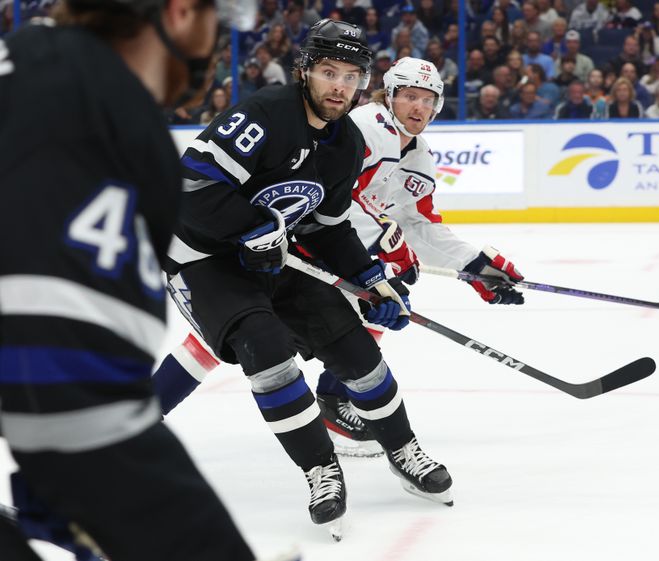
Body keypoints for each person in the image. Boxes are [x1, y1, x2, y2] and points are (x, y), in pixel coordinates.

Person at [0, 1, 293, 561]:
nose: (217, 45)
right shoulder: (102, 112)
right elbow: (74, 401)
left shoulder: (34, 63)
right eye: (220, 22)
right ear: (182, 11)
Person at [155, 20, 454, 538]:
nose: (339, 86)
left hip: (278, 255)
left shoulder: (346, 143)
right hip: (203, 257)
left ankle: (401, 447)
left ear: (363, 83)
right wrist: (252, 230)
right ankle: (321, 468)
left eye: (351, 76)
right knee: (265, 346)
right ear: (305, 72)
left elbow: (330, 226)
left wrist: (369, 278)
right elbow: (190, 186)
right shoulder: (266, 114)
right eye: (328, 72)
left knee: (354, 346)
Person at [152, 57, 526, 463]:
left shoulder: (418, 152)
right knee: (228, 337)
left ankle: (333, 399)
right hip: (298, 244)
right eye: (410, 97)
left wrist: (473, 265)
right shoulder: (363, 127)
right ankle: (331, 402)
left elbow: (420, 222)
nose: (418, 108)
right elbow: (335, 207)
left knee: (372, 307)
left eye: (427, 100)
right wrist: (385, 241)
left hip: (329, 246)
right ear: (390, 94)